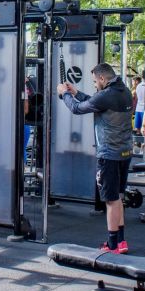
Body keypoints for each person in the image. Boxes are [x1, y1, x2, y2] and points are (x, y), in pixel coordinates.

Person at [58, 63, 133, 254]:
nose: (94, 84)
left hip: (109, 154)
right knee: (119, 198)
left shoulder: (106, 95)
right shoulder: (123, 91)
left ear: (102, 78)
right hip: (125, 152)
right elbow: (95, 101)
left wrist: (64, 94)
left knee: (111, 200)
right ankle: (121, 241)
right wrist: (77, 92)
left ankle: (112, 244)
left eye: (94, 81)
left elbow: (76, 109)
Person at [132, 76, 145, 153]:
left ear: (136, 81)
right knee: (140, 131)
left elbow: (135, 100)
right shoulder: (136, 88)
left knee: (139, 130)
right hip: (139, 110)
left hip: (138, 110)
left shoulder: (137, 88)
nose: (132, 83)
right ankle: (140, 149)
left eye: (133, 81)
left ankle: (139, 149)